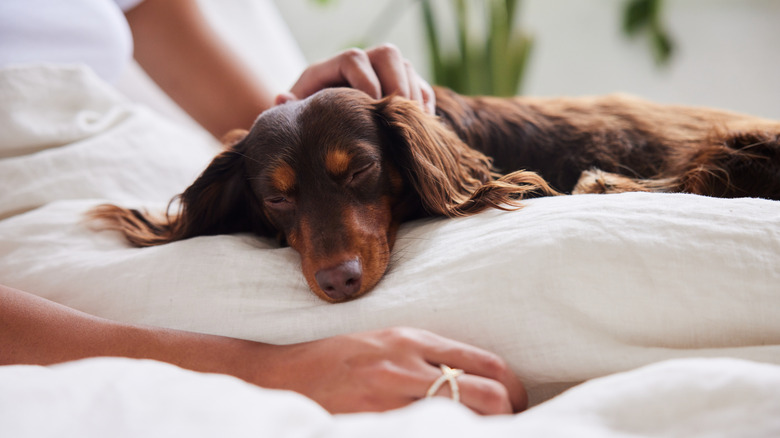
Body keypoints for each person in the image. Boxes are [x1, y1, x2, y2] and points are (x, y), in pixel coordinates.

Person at [0, 0, 527, 414]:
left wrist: (310, 116)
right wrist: (275, 372)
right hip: (38, 225)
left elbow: (152, 12)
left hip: (143, 166)